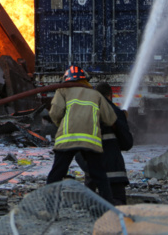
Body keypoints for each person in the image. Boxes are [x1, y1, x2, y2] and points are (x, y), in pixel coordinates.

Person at [47, 65, 117, 204]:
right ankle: (108, 207)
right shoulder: (95, 94)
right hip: (90, 140)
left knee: (56, 174)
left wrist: (61, 124)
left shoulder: (62, 91)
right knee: (99, 175)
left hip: (67, 138)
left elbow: (55, 113)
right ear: (85, 80)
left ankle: (49, 209)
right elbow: (110, 118)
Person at [76, 82, 134, 205]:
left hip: (92, 175)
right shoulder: (116, 112)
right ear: (110, 96)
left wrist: (87, 167)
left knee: (93, 209)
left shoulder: (85, 112)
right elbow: (127, 143)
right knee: (117, 206)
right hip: (114, 173)